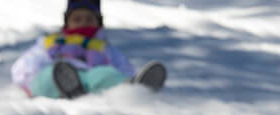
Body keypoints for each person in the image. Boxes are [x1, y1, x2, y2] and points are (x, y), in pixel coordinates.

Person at [11, 0, 167, 99]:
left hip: (88, 80)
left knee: (105, 74)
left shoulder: (103, 48)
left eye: (89, 19)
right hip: (56, 76)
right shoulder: (51, 43)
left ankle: (135, 88)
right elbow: (25, 64)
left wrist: (127, 76)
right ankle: (66, 87)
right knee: (48, 76)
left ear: (98, 22)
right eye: (77, 19)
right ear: (67, 22)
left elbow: (122, 66)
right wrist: (29, 80)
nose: (83, 24)